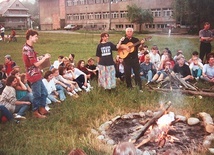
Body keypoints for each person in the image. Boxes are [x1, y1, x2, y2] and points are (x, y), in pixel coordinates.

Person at [22, 29, 51, 118]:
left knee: (44, 93)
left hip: (37, 74)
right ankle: (35, 112)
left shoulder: (29, 48)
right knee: (37, 94)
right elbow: (36, 64)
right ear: (30, 37)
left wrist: (40, 57)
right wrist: (45, 58)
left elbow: (32, 61)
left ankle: (41, 108)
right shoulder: (28, 49)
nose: (37, 38)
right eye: (35, 36)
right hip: (33, 75)